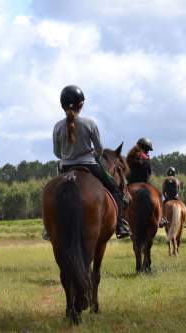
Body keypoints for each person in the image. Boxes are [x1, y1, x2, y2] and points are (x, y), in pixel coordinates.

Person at [53, 85, 131, 238]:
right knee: (114, 189)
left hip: (66, 167)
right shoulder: (89, 123)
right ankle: (120, 224)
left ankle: (47, 228)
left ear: (62, 106)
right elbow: (100, 149)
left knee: (54, 193)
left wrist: (67, 156)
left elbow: (57, 153)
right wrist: (93, 154)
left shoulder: (57, 126)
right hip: (89, 164)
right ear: (81, 105)